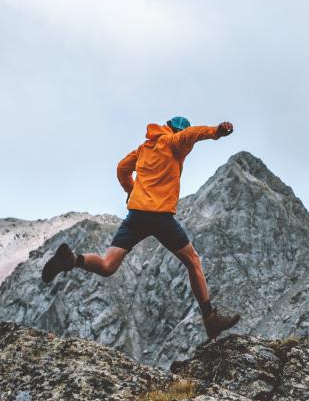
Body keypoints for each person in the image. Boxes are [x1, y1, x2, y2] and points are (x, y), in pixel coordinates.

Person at [41, 116, 241, 340]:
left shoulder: (144, 148)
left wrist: (132, 190)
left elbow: (122, 169)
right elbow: (192, 134)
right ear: (176, 132)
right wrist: (217, 131)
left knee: (108, 265)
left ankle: (72, 260)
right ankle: (210, 319)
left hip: (136, 215)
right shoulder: (174, 141)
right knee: (193, 261)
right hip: (160, 216)